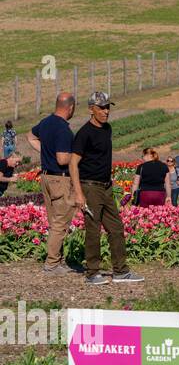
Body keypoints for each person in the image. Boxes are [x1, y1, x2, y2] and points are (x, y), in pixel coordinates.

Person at [69, 92, 139, 285]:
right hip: (90, 187)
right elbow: (73, 163)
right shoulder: (84, 133)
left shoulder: (107, 129)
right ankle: (92, 273)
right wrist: (78, 193)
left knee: (116, 227)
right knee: (93, 229)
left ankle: (120, 271)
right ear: (91, 109)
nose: (106, 111)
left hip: (106, 187)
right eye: (101, 108)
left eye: (108, 107)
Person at [28, 91, 77, 274]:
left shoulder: (46, 122)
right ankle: (52, 264)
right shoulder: (63, 129)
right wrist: (80, 155)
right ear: (70, 107)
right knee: (60, 223)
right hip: (60, 178)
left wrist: (44, 152)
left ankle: (58, 260)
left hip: (46, 177)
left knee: (54, 220)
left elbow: (30, 136)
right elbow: (63, 159)